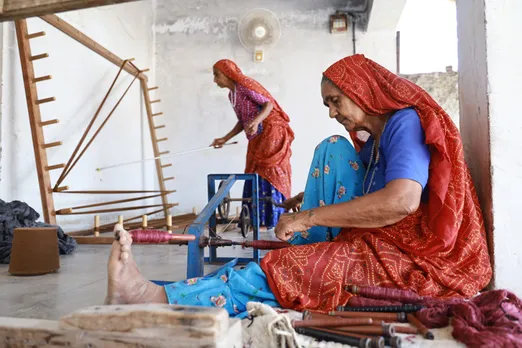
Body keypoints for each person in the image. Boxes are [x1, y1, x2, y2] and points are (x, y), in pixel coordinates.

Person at [104, 54, 492, 318]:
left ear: (361, 90)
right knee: (276, 261)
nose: (332, 111)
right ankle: (168, 294)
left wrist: (308, 217)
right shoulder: (375, 142)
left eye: (336, 100)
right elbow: (378, 195)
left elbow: (403, 201)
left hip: (418, 261)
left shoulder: (402, 123)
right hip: (387, 246)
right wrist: (308, 202)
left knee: (285, 268)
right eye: (327, 104)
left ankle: (152, 298)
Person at [210, 59, 294, 230]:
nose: (215, 80)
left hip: (272, 130)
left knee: (268, 170)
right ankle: (256, 220)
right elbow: (243, 121)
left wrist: (256, 122)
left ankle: (272, 220)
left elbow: (268, 105)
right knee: (253, 170)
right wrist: (225, 138)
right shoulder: (232, 95)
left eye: (216, 75)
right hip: (257, 134)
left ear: (227, 74)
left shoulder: (244, 85)